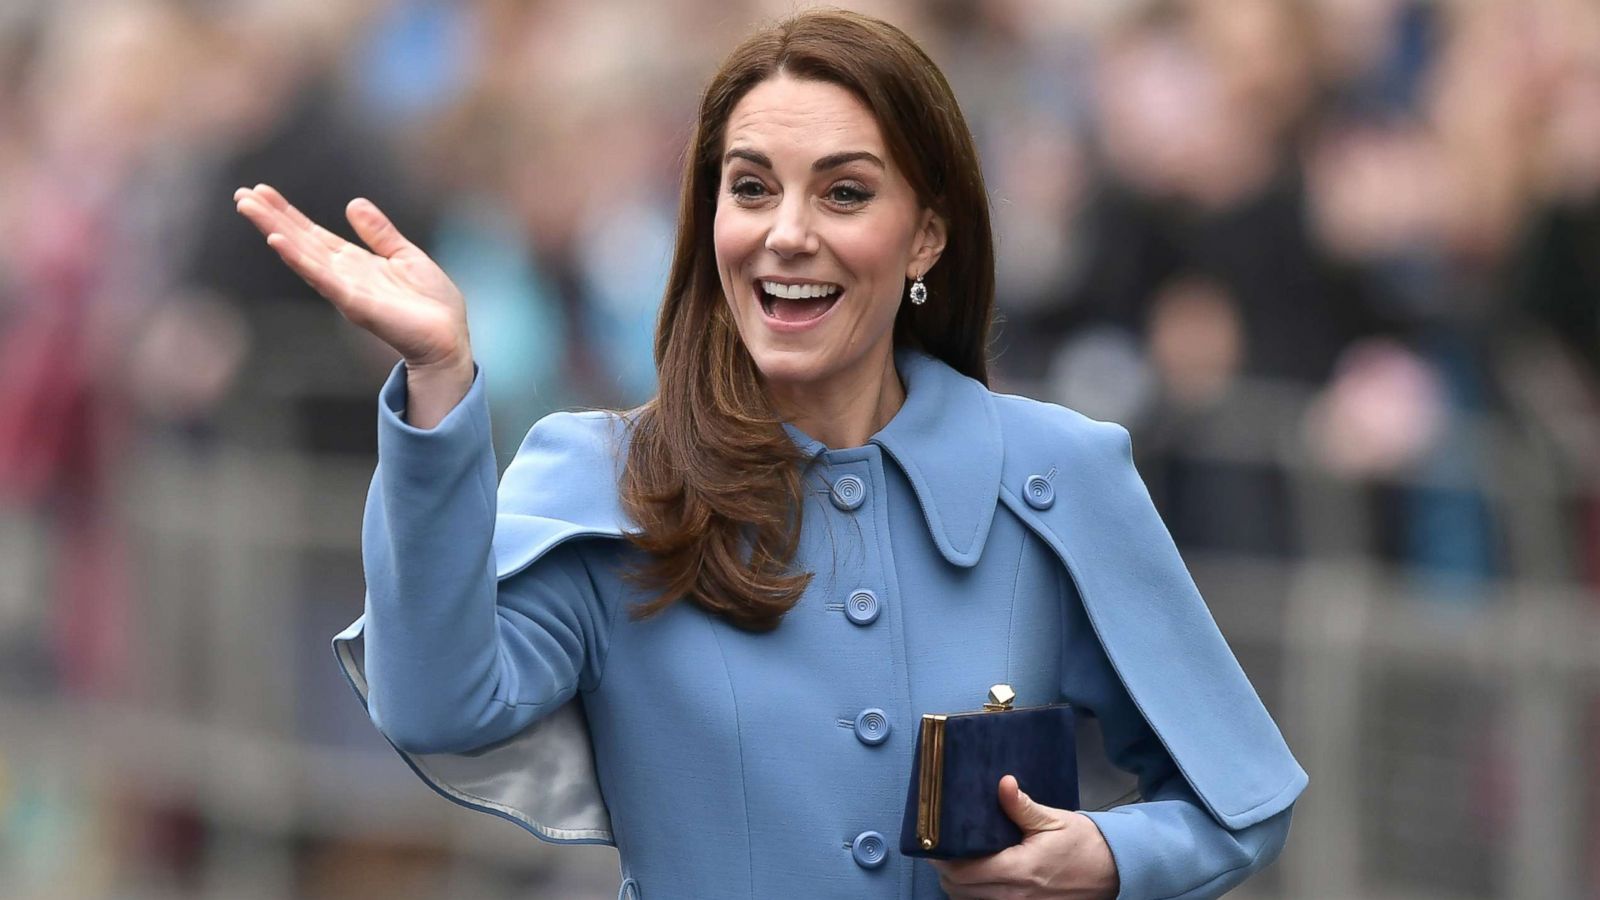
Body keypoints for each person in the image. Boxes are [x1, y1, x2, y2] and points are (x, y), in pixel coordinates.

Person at [234, 9, 1304, 899]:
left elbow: (1239, 800)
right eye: (750, 189)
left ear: (926, 234)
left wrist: (1109, 857)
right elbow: (433, 706)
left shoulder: (1054, 472)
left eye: (843, 192)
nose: (786, 231)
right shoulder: (609, 478)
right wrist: (435, 391)